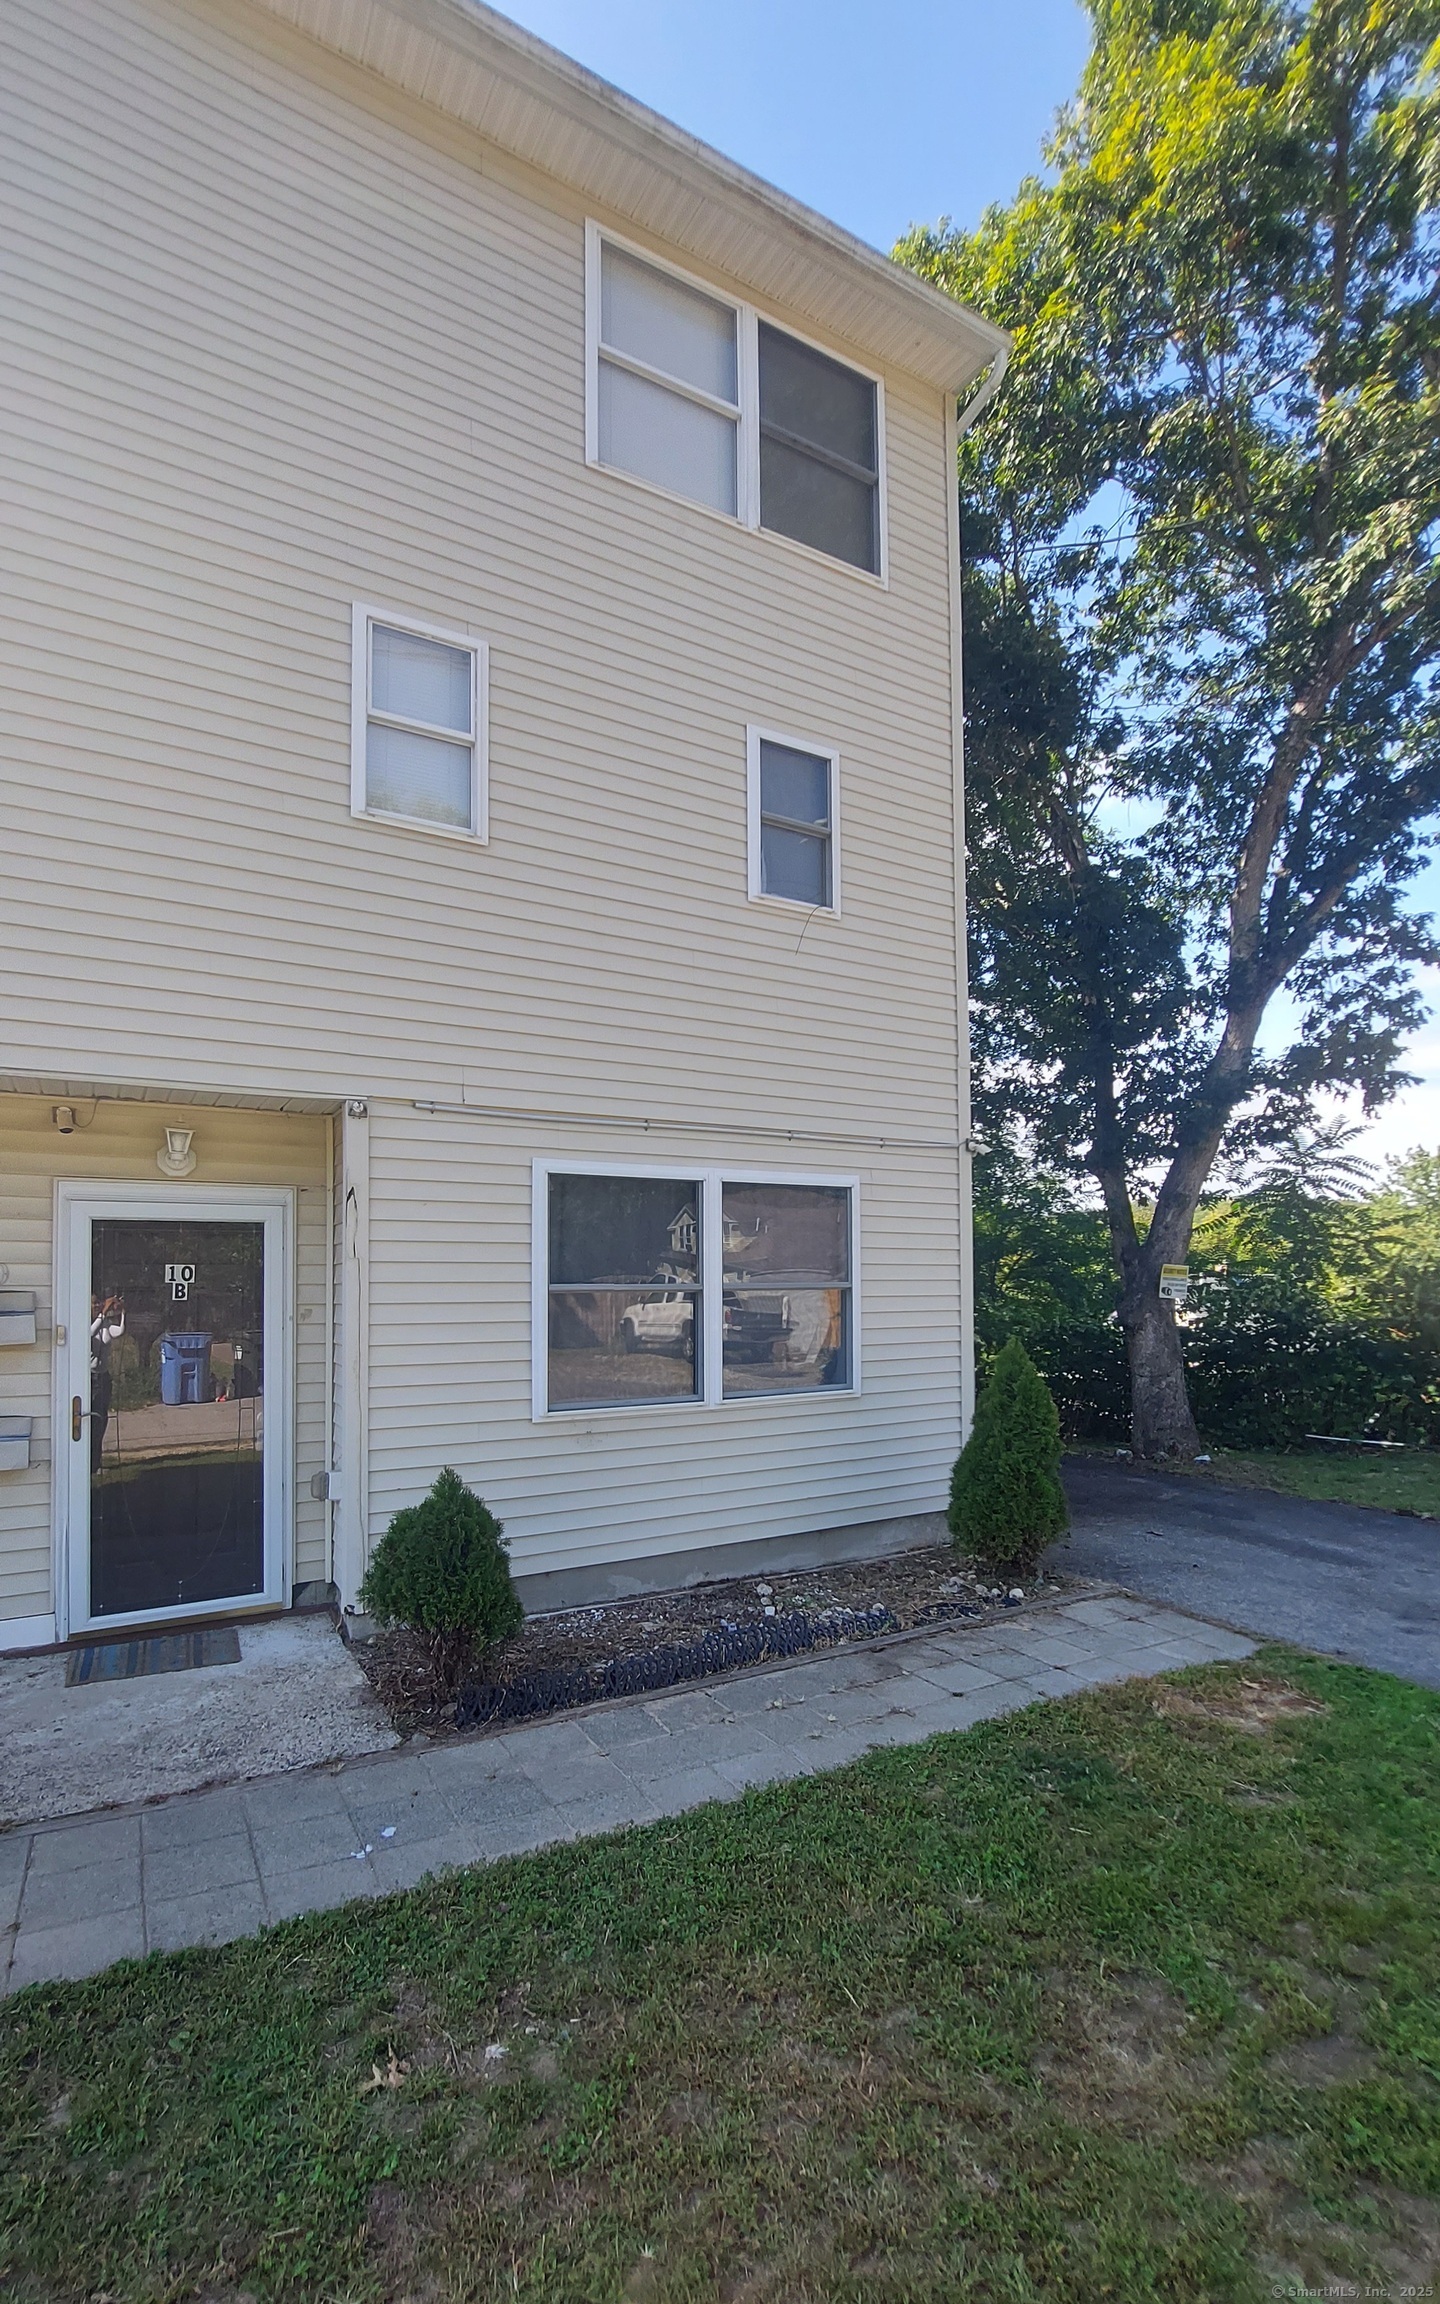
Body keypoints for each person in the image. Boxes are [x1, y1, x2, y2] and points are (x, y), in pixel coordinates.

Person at [89, 1293, 125, 1475]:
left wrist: (121, 1313)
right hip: (89, 1377)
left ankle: (96, 1464)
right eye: (94, 1303)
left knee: (100, 1421)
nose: (97, 1306)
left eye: (99, 1303)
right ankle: (86, 1462)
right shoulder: (83, 1323)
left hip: (103, 1376)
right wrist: (103, 1311)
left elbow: (118, 1331)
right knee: (88, 1420)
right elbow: (89, 1333)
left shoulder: (104, 1323)